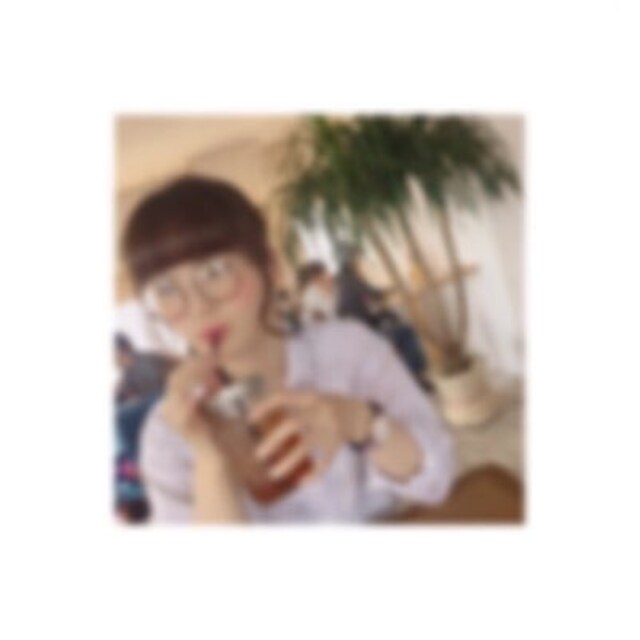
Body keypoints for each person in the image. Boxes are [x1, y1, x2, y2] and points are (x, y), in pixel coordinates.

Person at [121, 176, 454, 523]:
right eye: (166, 290)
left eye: (214, 272)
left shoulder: (348, 350)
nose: (198, 307)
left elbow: (437, 482)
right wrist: (209, 458)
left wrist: (359, 421)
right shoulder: (167, 434)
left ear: (271, 266)